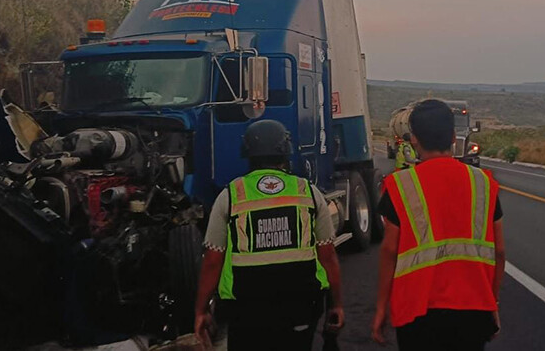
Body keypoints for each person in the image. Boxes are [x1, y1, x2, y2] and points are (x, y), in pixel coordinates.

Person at [194, 119, 344, 351]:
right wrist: (336, 305)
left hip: (246, 309)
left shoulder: (231, 195)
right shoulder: (308, 192)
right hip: (301, 306)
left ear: (247, 153)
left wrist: (201, 310)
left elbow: (213, 260)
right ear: (286, 151)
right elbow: (327, 255)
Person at [372, 99, 505, 351]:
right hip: (474, 307)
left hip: (417, 311)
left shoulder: (400, 186)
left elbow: (389, 251)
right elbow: (499, 251)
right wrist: (492, 302)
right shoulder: (485, 184)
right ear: (454, 137)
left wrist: (382, 309)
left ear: (413, 139)